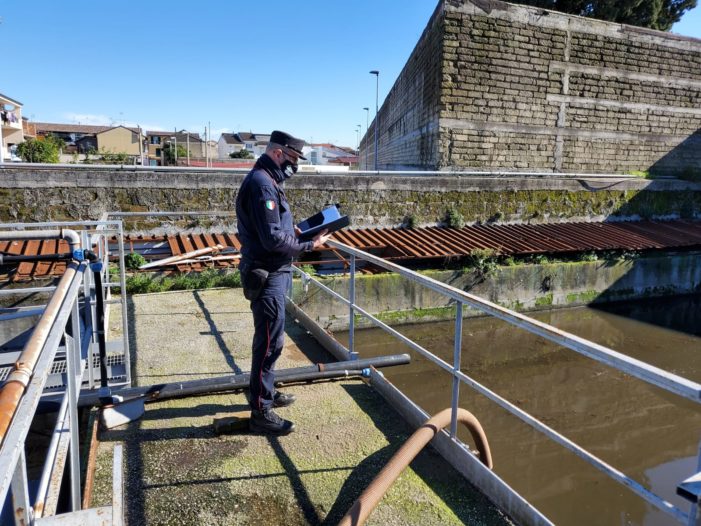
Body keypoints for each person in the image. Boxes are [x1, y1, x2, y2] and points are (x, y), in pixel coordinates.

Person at [236, 130, 331, 435]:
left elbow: (277, 229)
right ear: (278, 153)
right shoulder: (263, 185)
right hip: (267, 275)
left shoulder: (267, 180)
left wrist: (301, 232)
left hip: (271, 273)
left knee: (270, 340)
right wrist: (309, 247)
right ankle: (261, 412)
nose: (294, 165)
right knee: (269, 343)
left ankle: (265, 392)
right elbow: (273, 239)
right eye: (292, 158)